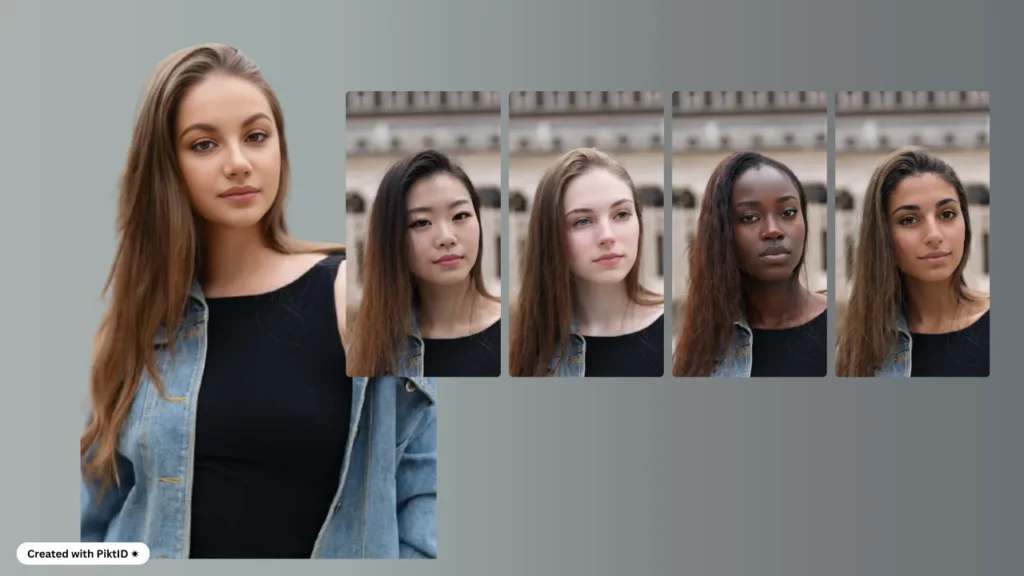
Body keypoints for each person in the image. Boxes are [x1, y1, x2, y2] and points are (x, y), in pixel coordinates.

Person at [79, 43, 436, 559]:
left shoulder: (357, 299)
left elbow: (427, 497)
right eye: (204, 144)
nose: (239, 163)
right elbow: (93, 516)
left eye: (256, 136)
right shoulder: (141, 321)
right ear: (166, 167)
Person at [510, 148, 664, 378]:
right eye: (582, 221)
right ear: (550, 236)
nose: (607, 236)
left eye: (621, 214)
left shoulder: (679, 337)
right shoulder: (529, 347)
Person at [836, 146, 990, 377]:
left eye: (947, 214)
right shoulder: (858, 348)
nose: (934, 235)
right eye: (909, 220)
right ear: (883, 236)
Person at [347, 149, 501, 378]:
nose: (446, 237)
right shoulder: (371, 347)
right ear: (391, 239)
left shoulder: (519, 332)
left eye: (460, 216)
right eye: (421, 222)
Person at [673, 151, 828, 378]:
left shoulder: (846, 332)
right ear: (722, 233)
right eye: (749, 217)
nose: (773, 230)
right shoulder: (701, 349)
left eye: (788, 212)